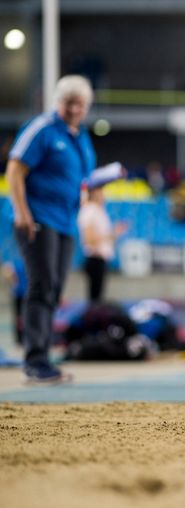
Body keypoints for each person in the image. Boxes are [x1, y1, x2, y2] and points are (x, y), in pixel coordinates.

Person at [5, 75, 96, 384]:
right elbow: (15, 168)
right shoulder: (42, 129)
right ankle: (36, 360)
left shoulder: (80, 136)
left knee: (54, 288)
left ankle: (42, 354)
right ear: (58, 102)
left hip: (65, 222)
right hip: (37, 219)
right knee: (41, 286)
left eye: (79, 104)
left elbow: (81, 178)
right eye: (68, 102)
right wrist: (22, 213)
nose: (74, 109)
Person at [77, 182, 127, 302]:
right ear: (94, 193)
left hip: (101, 259)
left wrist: (115, 233)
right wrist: (111, 233)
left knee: (98, 297)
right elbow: (89, 239)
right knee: (95, 298)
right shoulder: (90, 210)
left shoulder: (99, 211)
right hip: (95, 258)